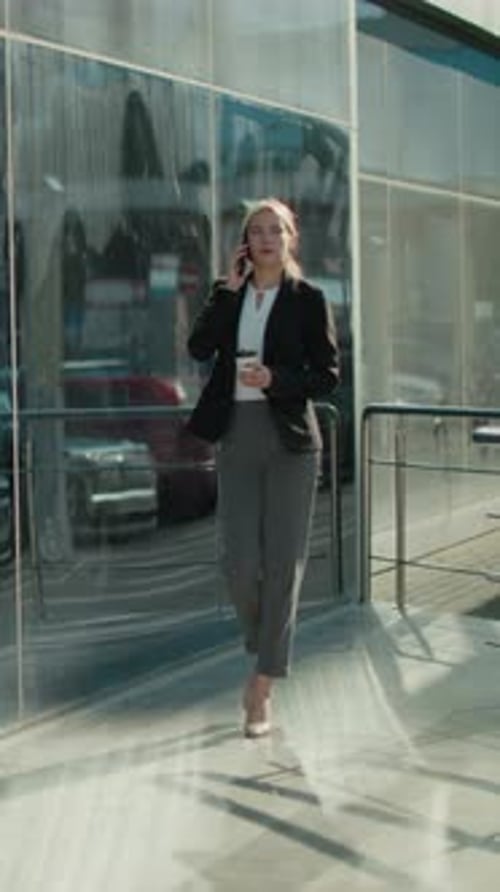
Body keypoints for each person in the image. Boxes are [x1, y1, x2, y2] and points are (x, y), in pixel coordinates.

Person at [186, 197, 338, 738]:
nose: (267, 238)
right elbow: (198, 346)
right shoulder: (230, 296)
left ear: (290, 238)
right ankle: (267, 647)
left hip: (292, 440)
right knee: (238, 562)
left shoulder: (308, 299)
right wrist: (226, 290)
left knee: (282, 564)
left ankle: (262, 687)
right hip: (237, 436)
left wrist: (276, 379)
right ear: (246, 243)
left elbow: (327, 377)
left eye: (276, 230)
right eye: (257, 230)